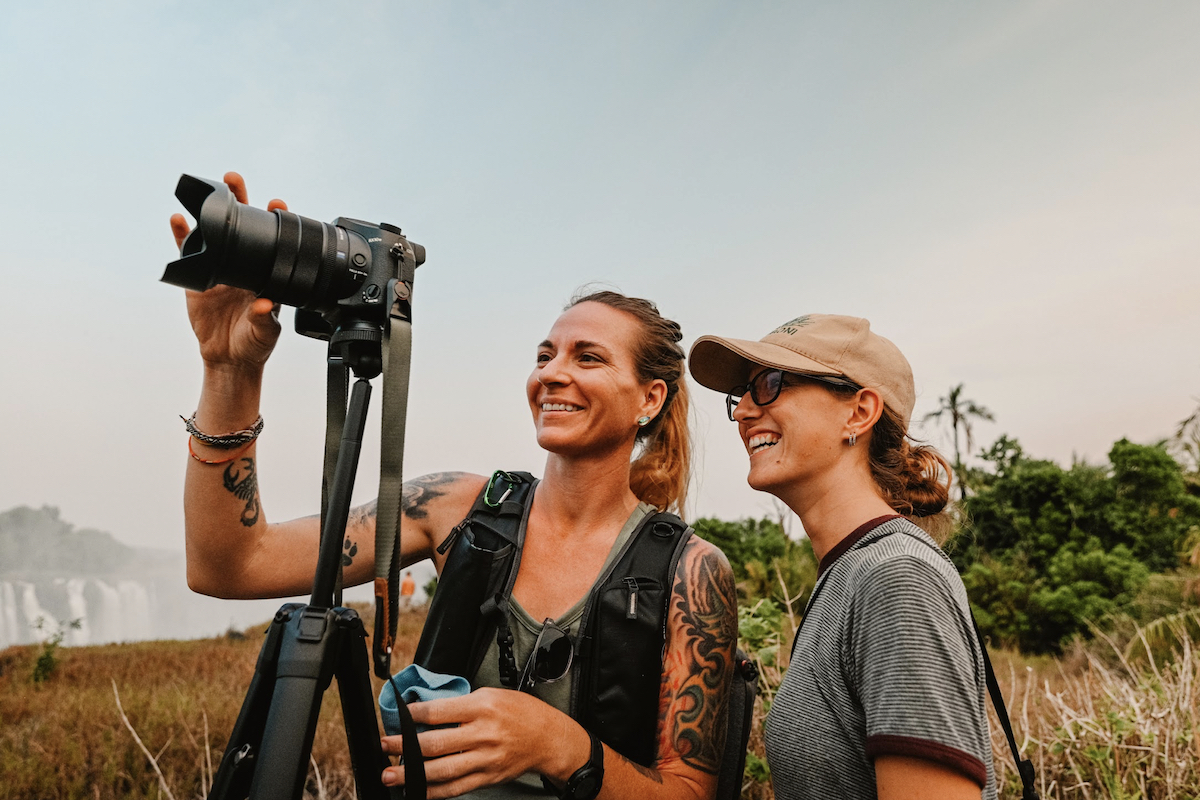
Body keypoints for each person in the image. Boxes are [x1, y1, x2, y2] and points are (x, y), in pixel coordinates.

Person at [170, 173, 738, 800]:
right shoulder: (462, 511)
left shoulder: (689, 572)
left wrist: (558, 744)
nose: (552, 374)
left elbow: (692, 794)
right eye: (545, 354)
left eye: (588, 358)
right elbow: (228, 566)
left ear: (650, 399)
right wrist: (229, 370)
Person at [688, 314, 996, 800]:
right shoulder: (849, 573)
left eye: (770, 384)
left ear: (859, 413)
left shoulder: (896, 578)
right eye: (741, 394)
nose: (744, 411)